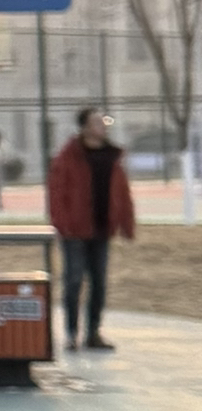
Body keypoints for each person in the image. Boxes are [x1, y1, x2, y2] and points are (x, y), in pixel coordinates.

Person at [47, 106, 135, 351]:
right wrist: (62, 223)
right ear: (85, 127)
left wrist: (126, 223)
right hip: (74, 231)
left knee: (99, 282)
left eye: (104, 121)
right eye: (97, 122)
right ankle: (71, 334)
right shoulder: (68, 157)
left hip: (101, 229)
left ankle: (93, 333)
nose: (103, 126)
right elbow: (56, 191)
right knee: (74, 281)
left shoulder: (112, 157)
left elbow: (122, 192)